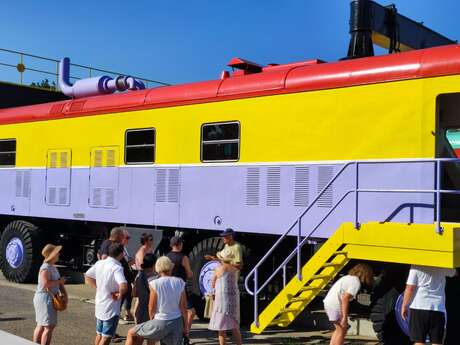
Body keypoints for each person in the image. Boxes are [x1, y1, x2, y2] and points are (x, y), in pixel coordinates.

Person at [125, 256, 188, 345]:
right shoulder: (180, 282)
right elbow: (183, 307)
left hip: (161, 320)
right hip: (177, 322)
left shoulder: (154, 284)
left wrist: (152, 320)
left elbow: (151, 307)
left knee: (131, 333)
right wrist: (186, 326)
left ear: (158, 267)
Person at [401, 265, 457, 345]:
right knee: (437, 341)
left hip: (419, 307)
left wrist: (404, 305)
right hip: (438, 308)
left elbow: (410, 288)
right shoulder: (443, 266)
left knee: (419, 341)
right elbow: (454, 273)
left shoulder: (416, 266)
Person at [85, 243, 128, 345]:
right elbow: (123, 285)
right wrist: (120, 294)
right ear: (121, 254)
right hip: (111, 307)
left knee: (99, 334)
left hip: (100, 303)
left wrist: (98, 288)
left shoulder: (100, 263)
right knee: (106, 338)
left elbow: (87, 276)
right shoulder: (117, 267)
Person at [323, 263, 373, 345]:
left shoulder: (348, 278)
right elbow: (345, 298)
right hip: (334, 306)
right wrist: (344, 317)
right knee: (342, 330)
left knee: (340, 329)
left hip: (329, 304)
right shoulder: (356, 282)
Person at [33, 244, 67, 345]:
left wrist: (62, 289)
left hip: (47, 297)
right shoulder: (46, 267)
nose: (59, 254)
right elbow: (45, 284)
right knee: (48, 326)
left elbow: (54, 282)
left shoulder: (51, 266)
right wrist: (60, 282)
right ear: (52, 255)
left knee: (42, 324)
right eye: (57, 252)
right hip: (45, 298)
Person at [208, 248, 242, 345]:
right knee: (235, 326)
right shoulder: (234, 268)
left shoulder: (219, 268)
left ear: (221, 259)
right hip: (234, 299)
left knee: (221, 328)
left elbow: (213, 283)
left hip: (222, 301)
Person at [166, 236, 195, 344]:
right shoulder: (184, 258)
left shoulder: (167, 257)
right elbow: (189, 274)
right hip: (180, 288)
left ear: (171, 245)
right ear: (180, 244)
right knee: (190, 312)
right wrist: (191, 273)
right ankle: (185, 335)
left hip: (169, 288)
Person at [133, 253, 157, 324]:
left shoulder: (139, 275)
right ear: (154, 264)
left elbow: (134, 293)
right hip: (150, 312)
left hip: (140, 311)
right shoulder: (154, 278)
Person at [120, 229, 136, 323]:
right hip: (124, 276)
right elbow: (125, 263)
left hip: (127, 276)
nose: (128, 240)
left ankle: (127, 313)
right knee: (123, 297)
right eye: (127, 238)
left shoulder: (124, 248)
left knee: (129, 294)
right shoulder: (120, 249)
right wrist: (132, 262)